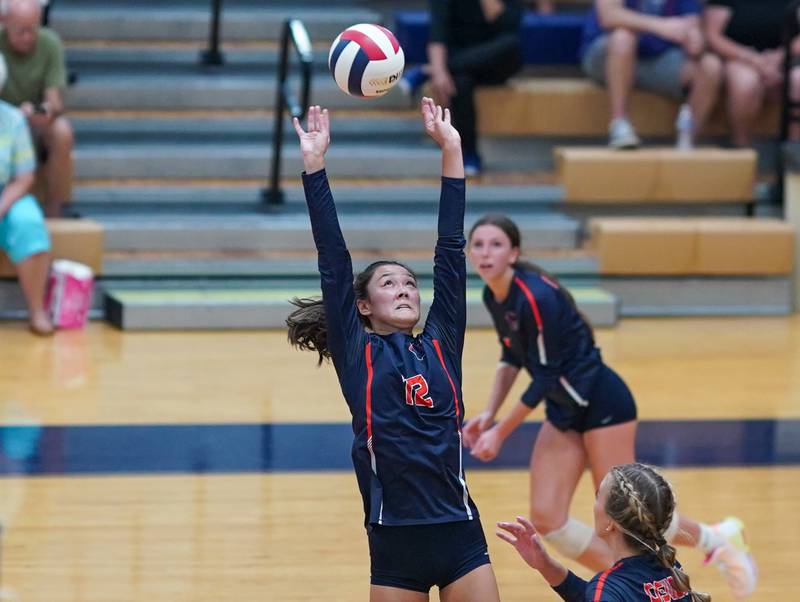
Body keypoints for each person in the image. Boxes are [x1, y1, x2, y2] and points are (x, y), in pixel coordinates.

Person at [462, 214, 757, 598]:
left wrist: (501, 432)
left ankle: (718, 538)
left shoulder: (536, 296)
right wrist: (489, 413)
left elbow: (547, 376)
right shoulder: (493, 295)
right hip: (565, 407)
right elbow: (512, 358)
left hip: (601, 401)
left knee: (633, 515)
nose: (486, 252)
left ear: (514, 253)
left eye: (496, 244)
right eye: (478, 244)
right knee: (548, 519)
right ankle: (632, 589)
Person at [286, 98, 501, 602]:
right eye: (389, 283)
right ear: (362, 305)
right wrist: (314, 165)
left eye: (409, 282)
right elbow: (333, 261)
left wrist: (452, 150)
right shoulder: (357, 353)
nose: (405, 288)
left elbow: (450, 248)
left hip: (460, 533)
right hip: (394, 539)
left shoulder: (443, 344)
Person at [497, 463, 712, 601]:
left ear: (611, 523)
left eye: (599, 495)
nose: (594, 503)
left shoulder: (609, 587)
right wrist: (547, 566)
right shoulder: (671, 570)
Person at [399, 0, 523, 176]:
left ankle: (427, 71)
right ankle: (470, 153)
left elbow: (508, 24)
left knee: (512, 45)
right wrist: (441, 72)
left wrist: (440, 69)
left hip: (494, 62)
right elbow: (438, 32)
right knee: (460, 84)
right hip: (461, 62)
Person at [580, 0, 722, 149]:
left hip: (657, 58)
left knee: (710, 66)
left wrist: (695, 40)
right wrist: (660, 26)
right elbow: (609, 16)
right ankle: (619, 125)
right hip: (607, 55)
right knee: (623, 38)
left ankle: (687, 141)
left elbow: (693, 23)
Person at [0, 0, 72, 217]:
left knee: (62, 131)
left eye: (33, 30)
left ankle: (53, 210)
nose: (27, 37)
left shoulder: (50, 43)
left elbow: (55, 102)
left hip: (33, 121)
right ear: (5, 23)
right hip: (4, 122)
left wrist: (42, 111)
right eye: (20, 31)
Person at [0, 54, 52, 335]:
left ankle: (36, 311)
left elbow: (24, 176)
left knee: (28, 223)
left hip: (6, 192)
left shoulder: (12, 120)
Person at [704, 0, 799, 147]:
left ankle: (793, 149)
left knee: (797, 79)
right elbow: (713, 36)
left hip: (784, 58)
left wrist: (780, 57)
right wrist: (752, 59)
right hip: (737, 57)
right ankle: (741, 146)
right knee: (745, 82)